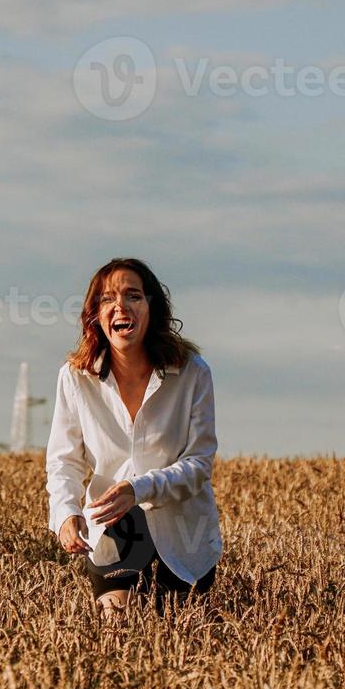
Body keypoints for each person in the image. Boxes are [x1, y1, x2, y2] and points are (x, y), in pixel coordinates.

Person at [44, 257, 223, 619]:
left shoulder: (192, 372)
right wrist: (66, 513)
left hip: (184, 534)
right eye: (107, 299)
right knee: (116, 627)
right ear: (95, 314)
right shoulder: (75, 377)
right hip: (114, 527)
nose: (120, 306)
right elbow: (64, 461)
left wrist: (136, 489)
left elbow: (199, 465)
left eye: (133, 296)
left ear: (152, 308)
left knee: (179, 634)